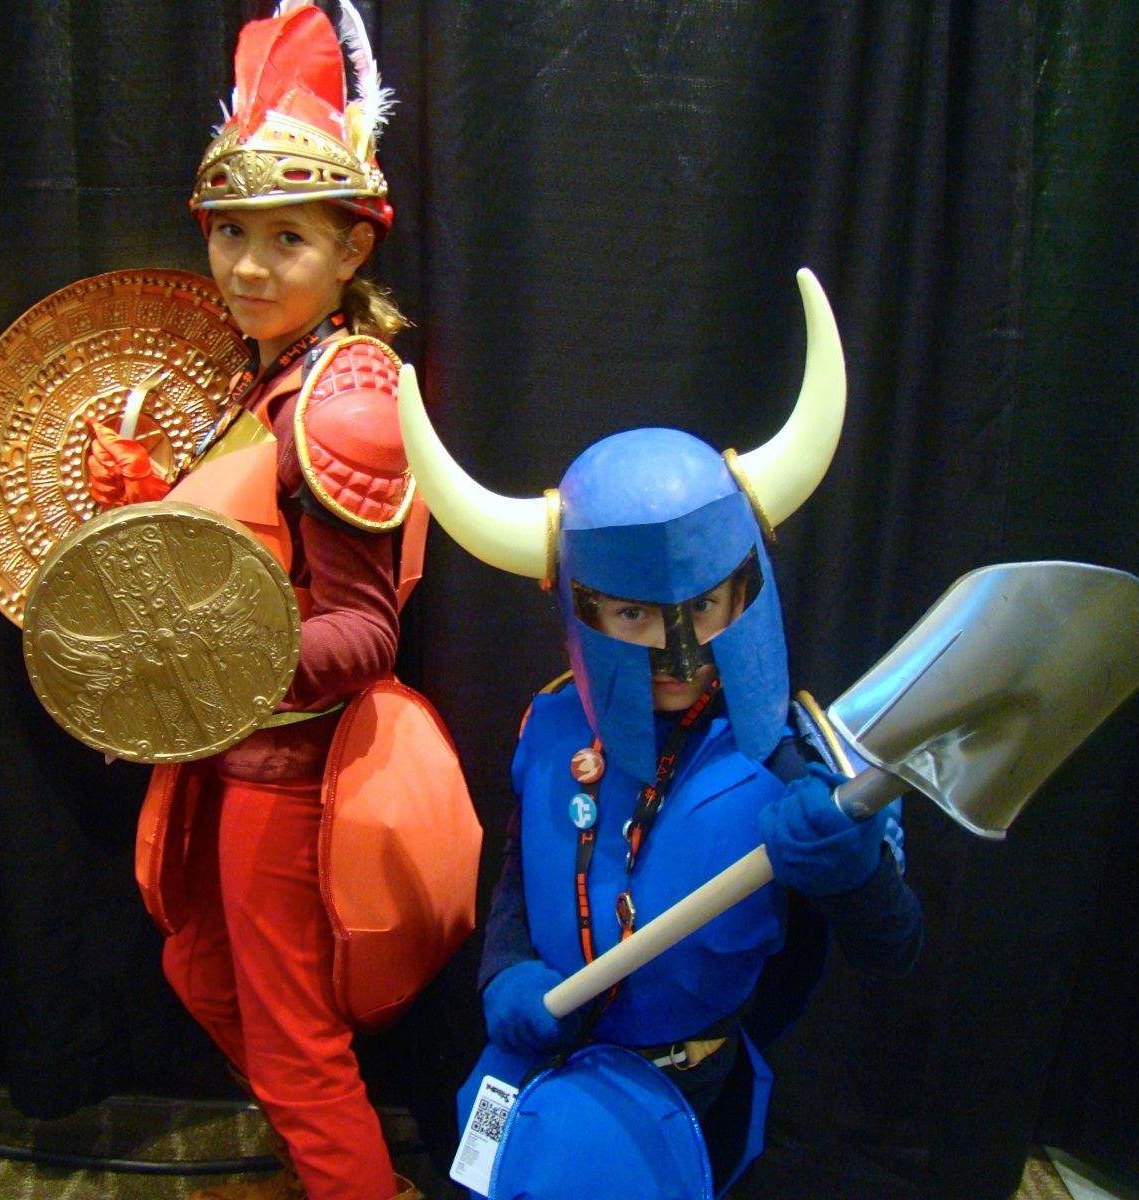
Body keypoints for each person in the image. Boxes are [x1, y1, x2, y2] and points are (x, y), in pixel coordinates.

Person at [398, 271, 924, 1196]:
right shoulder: (553, 723)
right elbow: (520, 881)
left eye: (708, 604)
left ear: (746, 585)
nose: (679, 652)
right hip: (547, 1069)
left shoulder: (801, 762)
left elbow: (893, 948)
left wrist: (853, 870)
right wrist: (504, 976)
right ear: (581, 605)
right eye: (634, 615)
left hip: (692, 1091)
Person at [84, 5, 432, 1198]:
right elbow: (252, 552)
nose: (245, 265)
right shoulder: (279, 376)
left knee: (294, 1046)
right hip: (224, 752)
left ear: (352, 250)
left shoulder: (346, 400)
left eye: (286, 238)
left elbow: (366, 633)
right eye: (230, 233)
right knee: (202, 973)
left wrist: (196, 659)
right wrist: (153, 503)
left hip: (284, 771)